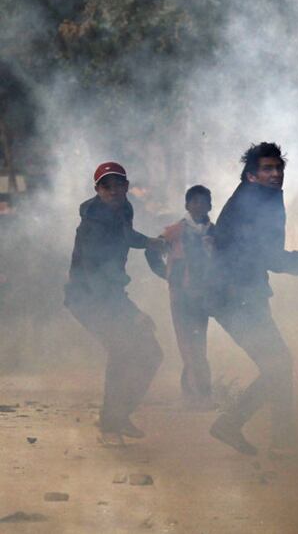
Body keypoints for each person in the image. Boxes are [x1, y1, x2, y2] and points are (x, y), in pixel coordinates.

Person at [209, 142, 298, 457]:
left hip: (240, 295)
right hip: (234, 298)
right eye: (267, 169)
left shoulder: (258, 197)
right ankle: (243, 428)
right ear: (252, 176)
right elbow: (266, 254)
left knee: (278, 364)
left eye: (278, 168)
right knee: (278, 364)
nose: (275, 174)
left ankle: (280, 440)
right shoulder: (255, 202)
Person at [64, 162, 164, 445]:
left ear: (126, 186)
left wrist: (150, 243)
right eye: (106, 186)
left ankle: (117, 416)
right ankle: (110, 425)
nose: (114, 190)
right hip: (88, 299)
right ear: (97, 190)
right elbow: (98, 281)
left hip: (108, 295)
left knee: (150, 353)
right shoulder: (92, 227)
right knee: (124, 350)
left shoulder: (124, 208)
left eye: (118, 184)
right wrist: (132, 314)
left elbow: (127, 235)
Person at [145, 185, 215, 410]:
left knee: (198, 343)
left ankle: (192, 394)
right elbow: (151, 250)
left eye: (204, 202)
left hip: (202, 296)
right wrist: (166, 275)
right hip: (181, 296)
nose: (199, 206)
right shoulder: (176, 231)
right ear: (187, 205)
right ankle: (201, 395)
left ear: (210, 205)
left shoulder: (213, 232)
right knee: (188, 344)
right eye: (194, 201)